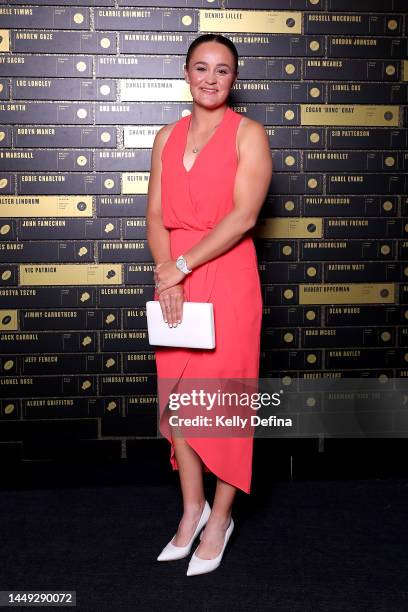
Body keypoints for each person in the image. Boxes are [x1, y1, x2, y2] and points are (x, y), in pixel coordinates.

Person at [146, 33, 273, 575]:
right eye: (202, 67)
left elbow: (243, 217)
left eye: (223, 70)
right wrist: (167, 274)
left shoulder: (250, 134)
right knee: (178, 403)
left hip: (228, 276)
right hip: (174, 277)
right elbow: (156, 216)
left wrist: (183, 265)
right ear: (186, 73)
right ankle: (191, 509)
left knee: (220, 406)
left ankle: (220, 518)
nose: (211, 78)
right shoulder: (164, 136)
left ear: (235, 79)